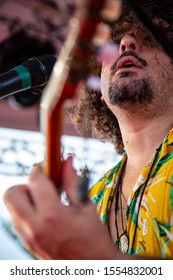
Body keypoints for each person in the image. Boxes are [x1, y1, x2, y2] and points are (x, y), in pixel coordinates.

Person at [3, 0, 173, 260]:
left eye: (150, 38)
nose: (126, 43)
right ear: (100, 94)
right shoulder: (92, 200)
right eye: (113, 45)